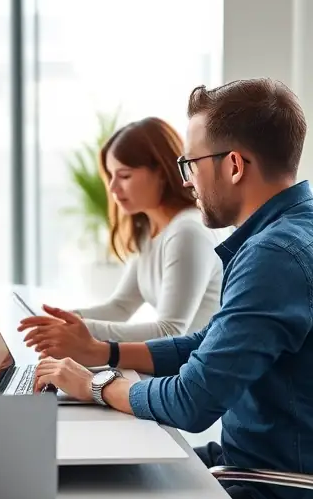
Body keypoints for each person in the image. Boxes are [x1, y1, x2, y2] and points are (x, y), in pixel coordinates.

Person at [34, 78, 313, 499]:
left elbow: (191, 401)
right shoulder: (290, 230)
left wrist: (97, 386)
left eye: (192, 164)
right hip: (265, 469)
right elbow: (211, 340)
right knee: (124, 472)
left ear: (233, 165)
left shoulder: (274, 255)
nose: (187, 180)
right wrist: (109, 355)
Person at [19, 116, 222, 357]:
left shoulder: (188, 232)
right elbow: (120, 307)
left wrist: (77, 331)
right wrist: (60, 319)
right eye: (111, 176)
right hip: (175, 366)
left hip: (196, 372)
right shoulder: (150, 229)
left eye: (124, 176)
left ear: (162, 172)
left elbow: (170, 331)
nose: (113, 189)